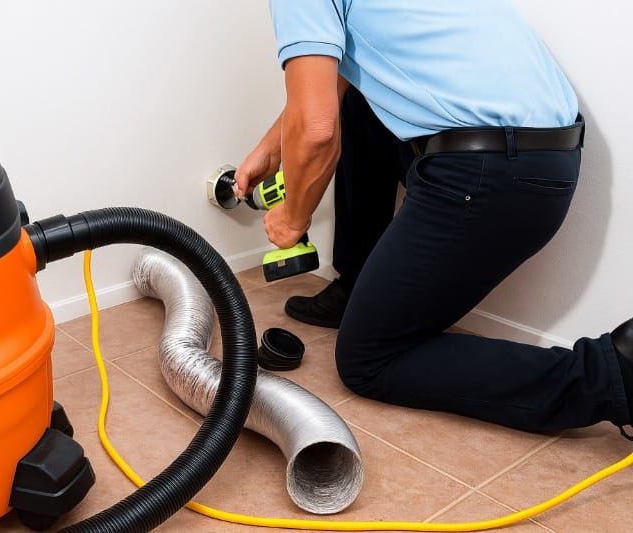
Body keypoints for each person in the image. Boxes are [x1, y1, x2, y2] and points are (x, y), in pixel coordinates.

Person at [234, 0, 633, 437]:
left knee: (367, 360)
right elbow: (342, 82)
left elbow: (316, 131)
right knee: (361, 109)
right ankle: (360, 286)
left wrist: (293, 218)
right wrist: (271, 148)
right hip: (544, 159)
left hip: (491, 176)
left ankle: (611, 375)